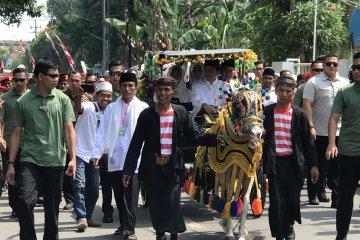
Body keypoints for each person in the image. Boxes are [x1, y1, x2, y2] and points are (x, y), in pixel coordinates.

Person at [122, 76, 225, 240]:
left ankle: (173, 235)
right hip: (153, 168)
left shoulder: (180, 112)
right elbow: (136, 144)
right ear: (155, 90)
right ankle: (160, 234)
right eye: (160, 89)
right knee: (155, 205)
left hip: (173, 167)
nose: (162, 93)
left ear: (173, 92)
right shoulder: (146, 115)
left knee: (172, 203)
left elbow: (194, 135)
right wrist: (128, 170)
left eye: (166, 90)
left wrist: (214, 139)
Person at [5, 58, 76, 240]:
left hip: (55, 160)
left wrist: (73, 158)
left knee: (52, 206)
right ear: (39, 76)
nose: (56, 79)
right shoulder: (23, 102)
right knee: (24, 200)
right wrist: (11, 163)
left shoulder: (63, 100)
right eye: (52, 76)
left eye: (57, 75)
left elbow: (69, 130)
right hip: (30, 160)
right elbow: (15, 133)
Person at [92, 72, 149, 240]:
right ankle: (123, 225)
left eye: (131, 85)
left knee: (130, 194)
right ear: (119, 87)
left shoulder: (143, 108)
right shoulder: (111, 108)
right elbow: (102, 132)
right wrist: (97, 152)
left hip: (135, 160)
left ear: (136, 88)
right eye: (124, 85)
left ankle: (129, 229)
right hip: (115, 159)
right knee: (119, 194)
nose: (127, 88)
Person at [263, 76, 319, 240]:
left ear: (294, 92)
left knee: (292, 200)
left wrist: (314, 165)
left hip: (295, 164)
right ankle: (281, 234)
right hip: (274, 164)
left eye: (289, 91)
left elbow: (308, 143)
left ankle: (289, 225)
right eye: (281, 90)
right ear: (276, 91)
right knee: (277, 201)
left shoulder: (299, 114)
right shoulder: (267, 113)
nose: (285, 94)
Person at [303, 54, 349, 207]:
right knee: (316, 164)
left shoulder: (345, 82)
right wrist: (310, 126)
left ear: (339, 66)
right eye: (328, 63)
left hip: (339, 133)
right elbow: (307, 105)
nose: (331, 66)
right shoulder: (313, 82)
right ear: (323, 65)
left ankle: (336, 198)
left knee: (336, 167)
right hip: (318, 131)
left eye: (334, 64)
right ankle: (313, 194)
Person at [325, 52, 360, 240]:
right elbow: (334, 118)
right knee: (346, 199)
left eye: (359, 67)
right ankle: (341, 235)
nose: (356, 71)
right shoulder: (345, 92)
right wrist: (332, 143)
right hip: (349, 153)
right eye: (354, 67)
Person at [73, 82, 113, 231]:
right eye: (102, 95)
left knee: (94, 189)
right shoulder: (89, 106)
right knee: (79, 185)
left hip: (96, 155)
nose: (106, 99)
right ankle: (81, 217)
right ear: (96, 96)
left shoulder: (111, 111)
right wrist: (77, 96)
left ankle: (88, 216)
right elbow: (78, 108)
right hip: (80, 151)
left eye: (108, 96)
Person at [0, 67, 30, 217]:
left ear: (27, 80)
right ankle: (15, 205)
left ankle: (25, 203)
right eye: (16, 80)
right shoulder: (5, 98)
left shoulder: (32, 97)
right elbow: (0, 120)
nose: (18, 83)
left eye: (21, 80)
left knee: (27, 175)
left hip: (29, 143)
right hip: (9, 143)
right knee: (11, 175)